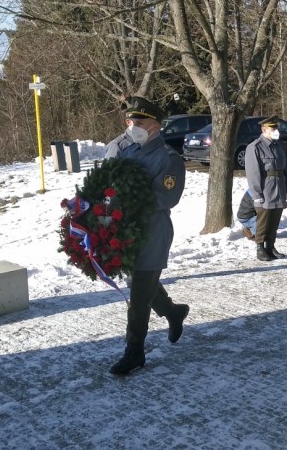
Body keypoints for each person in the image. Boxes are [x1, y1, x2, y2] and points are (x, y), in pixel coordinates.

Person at [107, 97, 191, 376]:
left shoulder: (168, 158)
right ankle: (173, 312)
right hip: (127, 232)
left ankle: (135, 351)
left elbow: (166, 197)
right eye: (131, 122)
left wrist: (129, 201)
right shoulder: (129, 152)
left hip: (152, 233)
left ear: (155, 126)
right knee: (142, 284)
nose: (133, 127)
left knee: (139, 295)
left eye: (139, 122)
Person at [245, 115, 287, 261]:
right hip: (265, 190)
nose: (276, 131)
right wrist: (257, 193)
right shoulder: (255, 147)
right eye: (273, 128)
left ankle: (270, 247)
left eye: (276, 128)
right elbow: (253, 173)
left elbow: (286, 169)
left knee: (274, 221)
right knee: (263, 222)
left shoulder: (279, 146)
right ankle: (260, 248)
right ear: (265, 130)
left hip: (279, 189)